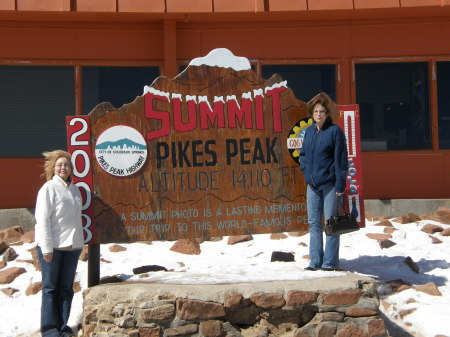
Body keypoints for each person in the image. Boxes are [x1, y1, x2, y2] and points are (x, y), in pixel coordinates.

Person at [34, 150, 84, 337]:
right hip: (52, 247)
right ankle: (49, 330)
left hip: (71, 247)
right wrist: (46, 248)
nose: (63, 168)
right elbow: (42, 220)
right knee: (50, 288)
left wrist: (80, 243)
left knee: (65, 288)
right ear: (53, 169)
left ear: (71, 169)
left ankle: (62, 327)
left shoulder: (75, 189)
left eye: (67, 165)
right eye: (60, 165)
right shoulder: (48, 188)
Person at [299, 93, 348, 271]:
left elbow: (341, 160)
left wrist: (340, 185)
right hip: (312, 185)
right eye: (315, 111)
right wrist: (305, 171)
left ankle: (329, 263)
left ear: (327, 113)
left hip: (330, 185)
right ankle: (315, 261)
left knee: (331, 224)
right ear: (311, 114)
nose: (318, 114)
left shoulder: (334, 132)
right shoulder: (309, 132)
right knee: (313, 224)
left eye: (322, 111)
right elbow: (303, 155)